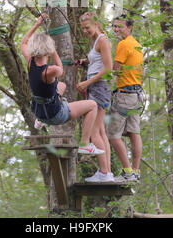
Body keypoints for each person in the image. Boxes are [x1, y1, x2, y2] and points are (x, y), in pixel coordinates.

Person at [20, 13, 105, 155]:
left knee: (62, 85)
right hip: (56, 114)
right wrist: (54, 52)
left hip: (39, 111)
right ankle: (85, 144)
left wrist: (37, 24)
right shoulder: (49, 71)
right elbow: (60, 69)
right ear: (47, 49)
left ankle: (40, 121)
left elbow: (23, 43)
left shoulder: (30, 62)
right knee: (92, 105)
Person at [76, 11, 114, 182]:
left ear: (96, 24)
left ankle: (104, 173)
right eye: (83, 29)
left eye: (87, 27)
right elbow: (98, 61)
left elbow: (108, 69)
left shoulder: (103, 41)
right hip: (98, 86)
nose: (85, 31)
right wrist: (86, 61)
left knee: (93, 131)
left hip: (99, 87)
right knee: (99, 131)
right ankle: (107, 172)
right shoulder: (96, 41)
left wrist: (87, 83)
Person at [107, 15, 144, 183]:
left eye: (120, 27)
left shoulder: (123, 44)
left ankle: (127, 171)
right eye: (114, 27)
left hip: (124, 95)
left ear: (129, 28)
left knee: (113, 134)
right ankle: (135, 171)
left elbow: (115, 70)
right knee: (134, 132)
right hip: (137, 95)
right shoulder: (137, 45)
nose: (116, 30)